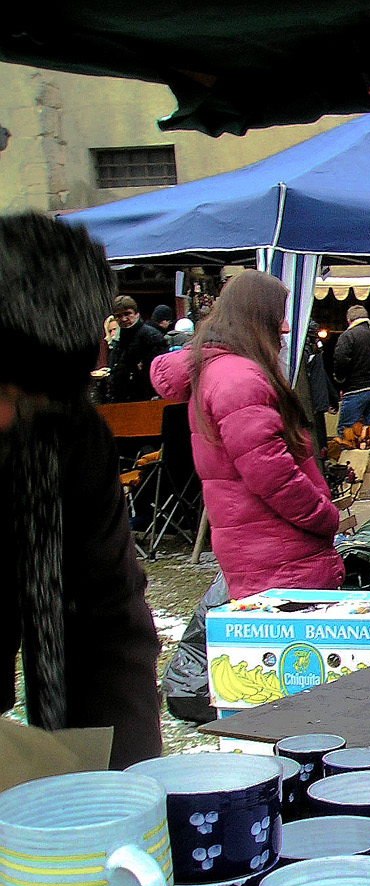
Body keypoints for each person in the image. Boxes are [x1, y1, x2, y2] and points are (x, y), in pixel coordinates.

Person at [1, 214, 162, 767]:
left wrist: (119, 785)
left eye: (32, 404)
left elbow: (104, 622)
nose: (7, 419)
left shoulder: (66, 434)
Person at [151, 270, 343, 599]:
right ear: (257, 318)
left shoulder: (223, 372)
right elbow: (272, 474)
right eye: (279, 317)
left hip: (263, 550)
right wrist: (324, 516)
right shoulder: (239, 379)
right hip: (279, 554)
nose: (285, 328)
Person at [331, 304, 370, 431]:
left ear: (349, 319)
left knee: (346, 429)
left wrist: (340, 380)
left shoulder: (347, 336)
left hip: (356, 388)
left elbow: (340, 360)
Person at [106, 295, 167, 402]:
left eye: (127, 314)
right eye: (118, 316)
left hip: (145, 398)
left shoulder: (151, 336)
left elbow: (158, 371)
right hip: (122, 399)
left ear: (136, 314)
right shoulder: (118, 340)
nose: (124, 319)